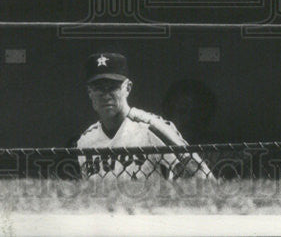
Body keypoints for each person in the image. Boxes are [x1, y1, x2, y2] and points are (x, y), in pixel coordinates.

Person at [76, 52, 212, 179]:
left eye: (112, 87)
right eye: (99, 88)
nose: (106, 95)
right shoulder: (85, 141)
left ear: (128, 88)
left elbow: (202, 177)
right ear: (90, 92)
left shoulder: (151, 128)